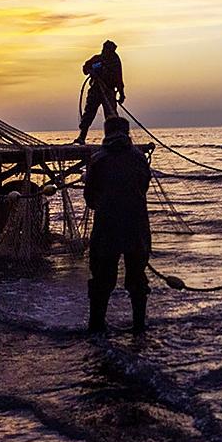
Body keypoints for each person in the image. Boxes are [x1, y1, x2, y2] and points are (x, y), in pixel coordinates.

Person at [83, 116, 152, 333]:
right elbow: (144, 186)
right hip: (136, 227)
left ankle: (96, 328)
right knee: (137, 279)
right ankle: (139, 327)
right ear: (127, 132)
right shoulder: (139, 158)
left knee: (102, 280)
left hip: (106, 228)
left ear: (106, 133)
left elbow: (89, 198)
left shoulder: (98, 159)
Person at [74, 40, 125, 144]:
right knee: (89, 113)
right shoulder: (97, 59)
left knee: (111, 115)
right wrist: (91, 70)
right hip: (95, 91)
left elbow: (119, 78)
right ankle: (82, 136)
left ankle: (113, 138)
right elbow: (85, 68)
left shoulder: (115, 62)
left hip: (109, 92)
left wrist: (121, 93)